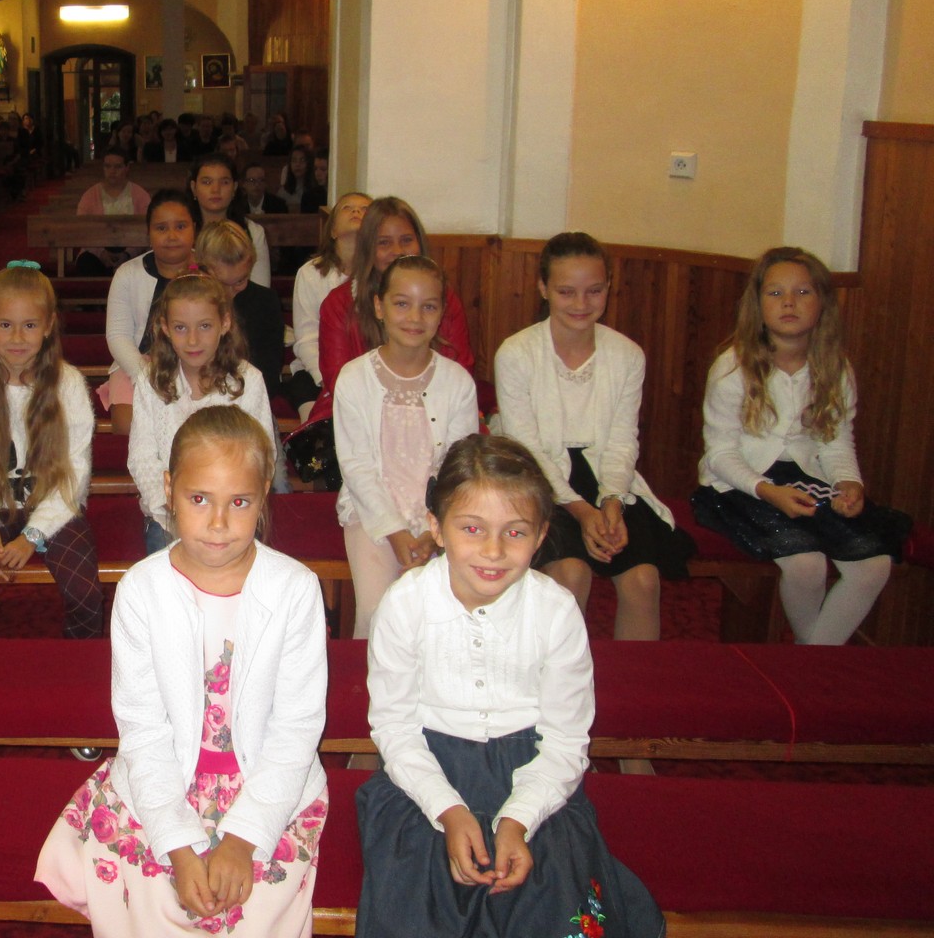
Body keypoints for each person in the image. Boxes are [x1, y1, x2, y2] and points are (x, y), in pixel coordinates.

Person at [36, 406, 329, 937]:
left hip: (268, 785)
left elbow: (296, 728)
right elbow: (143, 731)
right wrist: (178, 844)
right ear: (169, 489)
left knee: (253, 911)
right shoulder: (141, 591)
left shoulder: (295, 589)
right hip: (166, 780)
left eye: (239, 502)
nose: (218, 523)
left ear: (264, 493)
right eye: (199, 499)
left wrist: (242, 840)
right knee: (160, 904)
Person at [356, 433, 662, 938]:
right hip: (428, 776)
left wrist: (518, 819)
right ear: (436, 526)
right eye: (472, 528)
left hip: (532, 774)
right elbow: (395, 728)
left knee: (549, 900)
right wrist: (450, 813)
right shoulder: (404, 605)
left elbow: (565, 740)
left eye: (515, 532)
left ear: (541, 536)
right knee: (424, 906)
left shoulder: (555, 611)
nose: (494, 551)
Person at [690, 247, 906, 645]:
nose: (789, 302)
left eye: (803, 292)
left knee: (874, 565)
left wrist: (848, 482)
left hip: (807, 479)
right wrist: (768, 491)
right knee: (806, 564)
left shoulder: (835, 368)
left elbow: (836, 440)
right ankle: (812, 665)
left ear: (823, 302)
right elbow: (719, 453)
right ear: (758, 305)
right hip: (741, 486)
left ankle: (809, 659)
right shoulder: (732, 367)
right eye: (775, 293)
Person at [493, 233, 694, 640]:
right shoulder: (516, 354)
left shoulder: (627, 355)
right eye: (566, 291)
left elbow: (622, 440)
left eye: (594, 291)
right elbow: (526, 449)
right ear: (543, 288)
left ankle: (633, 679)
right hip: (540, 482)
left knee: (643, 580)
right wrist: (584, 512)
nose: (581, 304)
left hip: (606, 479)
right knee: (571, 573)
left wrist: (613, 502)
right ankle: (555, 674)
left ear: (609, 288)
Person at [0, 263, 102, 641]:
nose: (17, 337)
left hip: (55, 506)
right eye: (5, 324)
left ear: (48, 325)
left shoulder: (68, 384)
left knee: (86, 595)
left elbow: (74, 474)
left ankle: (77, 663)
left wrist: (32, 536)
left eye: (29, 325)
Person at [334, 256, 480, 638]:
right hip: (372, 514)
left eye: (428, 306)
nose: (415, 317)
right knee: (378, 610)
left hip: (439, 517)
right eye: (402, 303)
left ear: (441, 313)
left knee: (443, 612)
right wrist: (396, 532)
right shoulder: (354, 378)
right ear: (379, 307)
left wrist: (435, 531)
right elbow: (357, 466)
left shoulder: (457, 383)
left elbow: (458, 468)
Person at [129, 275, 277, 554]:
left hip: (231, 514)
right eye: (180, 327)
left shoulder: (248, 381)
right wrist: (175, 509)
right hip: (168, 516)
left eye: (205, 326)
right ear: (165, 328)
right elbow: (142, 457)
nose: (193, 339)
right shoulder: (150, 381)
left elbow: (262, 457)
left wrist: (223, 509)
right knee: (170, 574)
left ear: (225, 323)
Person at [307, 197, 474, 426]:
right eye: (384, 243)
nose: (397, 251)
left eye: (406, 240)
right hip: (359, 415)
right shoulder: (339, 304)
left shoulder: (443, 298)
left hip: (435, 412)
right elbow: (339, 382)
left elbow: (460, 368)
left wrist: (419, 417)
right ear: (368, 248)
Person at [100, 190, 199, 434]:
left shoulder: (209, 271)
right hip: (137, 364)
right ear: (149, 233)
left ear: (195, 229)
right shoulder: (127, 273)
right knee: (128, 426)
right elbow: (117, 335)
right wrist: (145, 375)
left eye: (181, 226)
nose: (172, 236)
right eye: (161, 228)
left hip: (196, 360)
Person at [287, 193, 370, 420]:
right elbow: (306, 338)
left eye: (364, 209)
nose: (356, 211)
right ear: (332, 230)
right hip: (317, 372)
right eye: (347, 208)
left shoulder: (381, 275)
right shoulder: (310, 273)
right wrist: (328, 380)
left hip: (367, 372)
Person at [193, 221, 284, 398]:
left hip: (248, 396)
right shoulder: (186, 303)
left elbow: (269, 376)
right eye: (221, 283)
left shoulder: (265, 302)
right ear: (202, 271)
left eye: (240, 281)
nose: (229, 293)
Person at [189, 154, 270, 288]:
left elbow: (260, 289)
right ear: (194, 188)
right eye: (207, 182)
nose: (215, 189)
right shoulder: (182, 231)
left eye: (224, 182)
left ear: (234, 188)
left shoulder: (253, 232)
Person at [74, 148, 152, 276]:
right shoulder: (90, 195)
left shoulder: (140, 195)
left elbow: (148, 229)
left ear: (127, 168)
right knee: (86, 264)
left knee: (145, 264)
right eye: (108, 166)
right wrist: (101, 253)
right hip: (97, 251)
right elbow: (82, 229)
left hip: (133, 250)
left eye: (118, 167)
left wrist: (128, 254)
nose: (112, 171)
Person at [279, 147, 312, 214]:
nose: (297, 164)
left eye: (302, 160)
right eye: (294, 161)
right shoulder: (283, 192)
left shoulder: (315, 191)